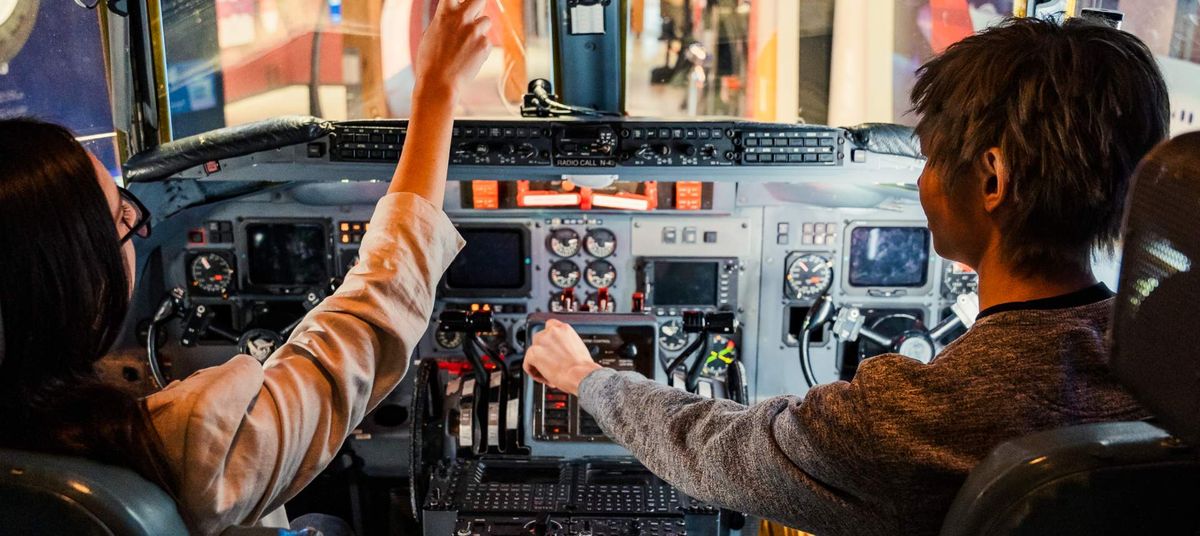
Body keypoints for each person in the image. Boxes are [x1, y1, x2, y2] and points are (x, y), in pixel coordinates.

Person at [523, 17, 1170, 536]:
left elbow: (715, 452)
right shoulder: (1171, 366)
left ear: (992, 180)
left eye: (931, 159)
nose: (923, 182)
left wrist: (585, 376)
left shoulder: (911, 418)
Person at [0, 0, 489, 533]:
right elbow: (366, 325)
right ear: (71, 284)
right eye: (121, 217)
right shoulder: (181, 448)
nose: (139, 231)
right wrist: (436, 91)